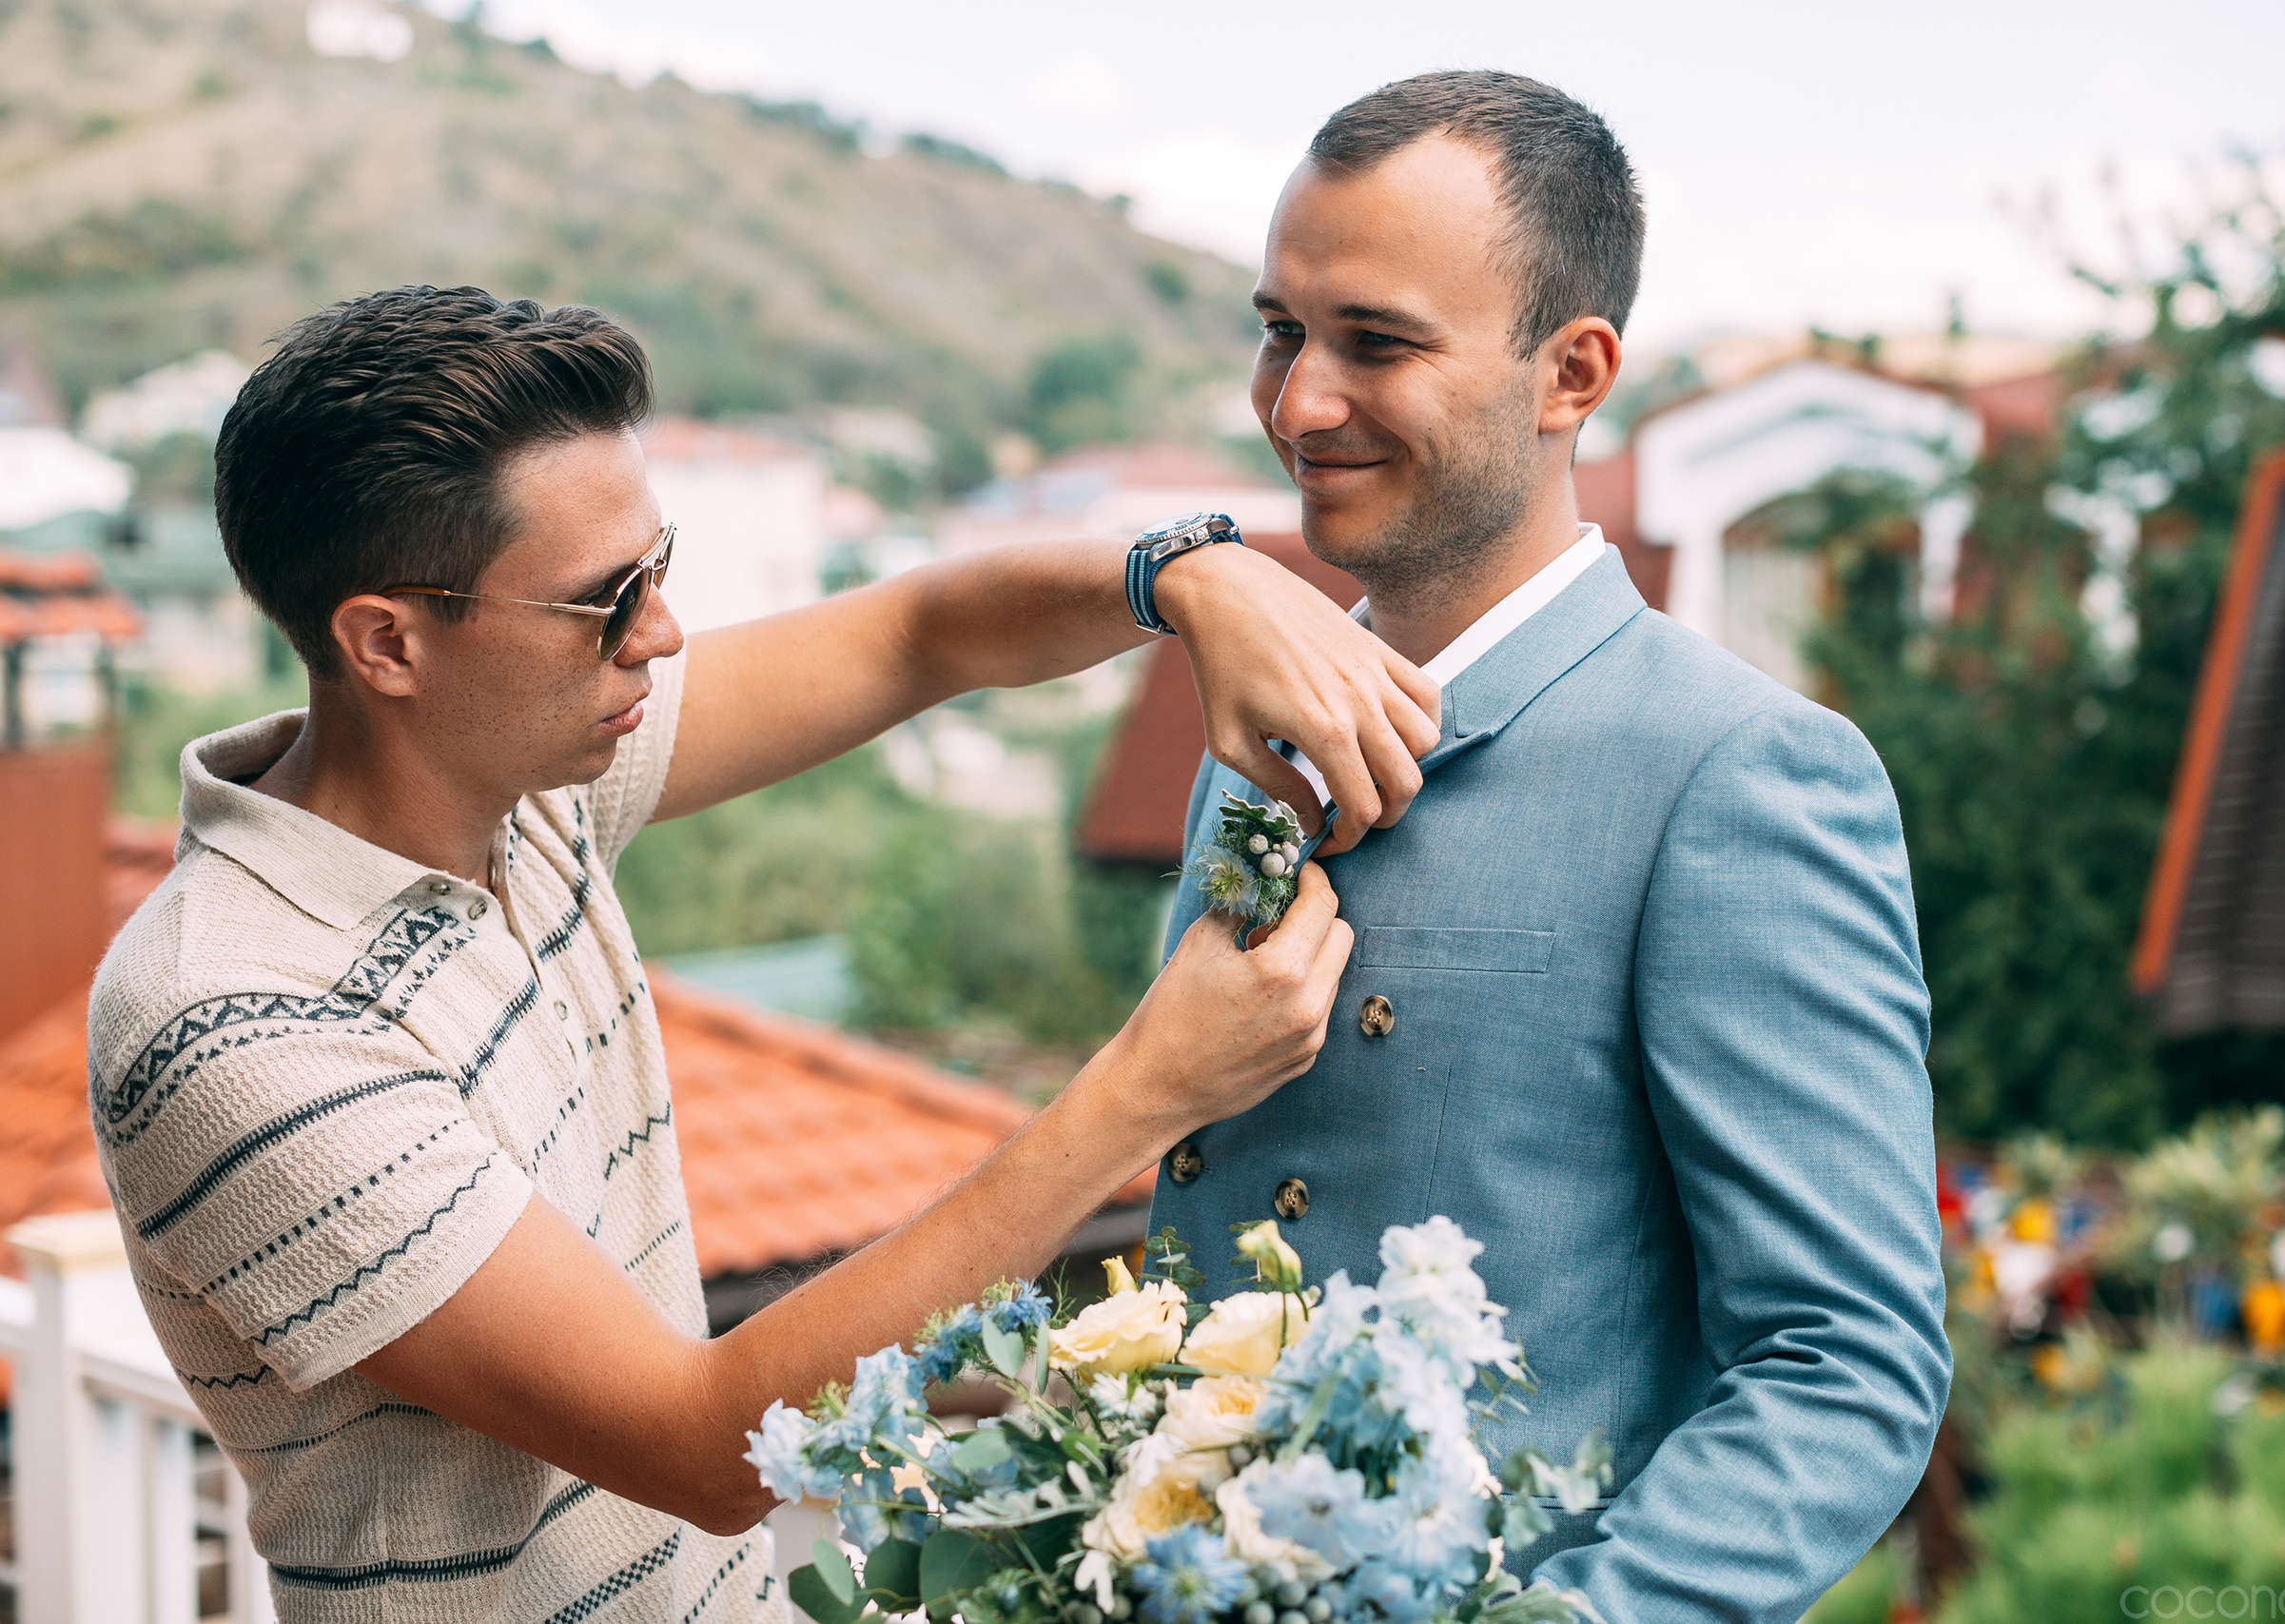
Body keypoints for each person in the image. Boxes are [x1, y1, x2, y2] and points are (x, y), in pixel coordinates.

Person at [87, 284, 1444, 1621]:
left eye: (658, 569)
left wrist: (1187, 575)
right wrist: (1148, 1087)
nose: (661, 633)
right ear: (388, 642)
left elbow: (925, 634)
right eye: (607, 600)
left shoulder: (514, 777)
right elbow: (699, 1446)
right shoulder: (234, 1021)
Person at [1148, 72, 1951, 1624]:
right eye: (1279, 331)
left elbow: (1846, 1363)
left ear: (1570, 372)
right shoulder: (1254, 738)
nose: (1298, 403)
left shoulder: (1741, 773)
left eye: (1374, 343)